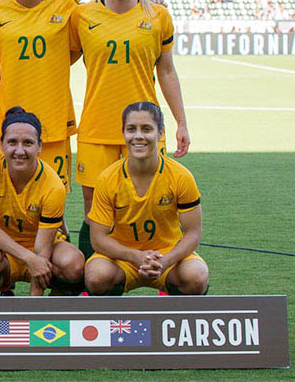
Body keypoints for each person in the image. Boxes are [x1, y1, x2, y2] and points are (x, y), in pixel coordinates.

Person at [70, 0, 190, 261]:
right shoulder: (82, 15)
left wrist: (181, 122)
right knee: (94, 210)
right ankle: (93, 286)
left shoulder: (158, 16)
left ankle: (167, 276)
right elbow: (60, 58)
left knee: (157, 204)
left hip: (145, 129)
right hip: (96, 127)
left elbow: (166, 71)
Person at [0, 0, 80, 192]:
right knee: (3, 196)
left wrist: (49, 64)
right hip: (6, 120)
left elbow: (79, 48)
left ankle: (58, 235)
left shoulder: (66, 6)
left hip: (53, 120)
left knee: (53, 198)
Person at [84, 102, 208, 296]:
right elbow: (97, 238)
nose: (138, 136)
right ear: (123, 132)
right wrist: (134, 256)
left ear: (160, 133)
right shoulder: (107, 178)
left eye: (147, 129)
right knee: (96, 276)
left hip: (168, 257)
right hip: (122, 258)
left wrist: (165, 260)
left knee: (196, 276)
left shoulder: (181, 176)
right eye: (131, 129)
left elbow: (193, 232)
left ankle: (171, 318)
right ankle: (114, 323)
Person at [0, 108, 85, 296]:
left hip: (42, 250)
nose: (19, 151)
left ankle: (51, 314)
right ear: (1, 144)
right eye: (12, 142)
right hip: (0, 248)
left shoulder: (53, 186)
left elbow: (42, 254)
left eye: (28, 143)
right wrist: (28, 258)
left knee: (73, 264)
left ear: (39, 146)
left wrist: (32, 313)